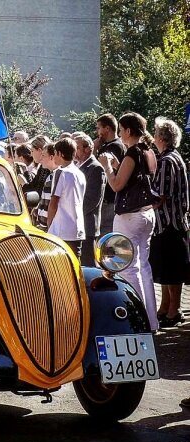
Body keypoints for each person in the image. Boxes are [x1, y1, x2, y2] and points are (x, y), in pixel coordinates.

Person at [99, 112, 159, 332]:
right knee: (144, 267)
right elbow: (135, 179)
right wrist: (117, 165)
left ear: (127, 130)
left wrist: (107, 166)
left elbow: (116, 185)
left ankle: (138, 320)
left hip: (130, 216)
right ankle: (151, 321)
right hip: (147, 214)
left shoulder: (133, 152)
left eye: (122, 130)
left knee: (128, 267)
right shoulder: (149, 151)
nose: (121, 134)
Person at [149, 117, 188, 328]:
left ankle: (174, 309)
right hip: (171, 223)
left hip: (169, 223)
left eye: (156, 133)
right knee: (166, 268)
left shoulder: (166, 161)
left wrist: (143, 202)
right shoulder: (172, 157)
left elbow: (160, 195)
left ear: (163, 137)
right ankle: (166, 306)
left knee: (172, 269)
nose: (154, 137)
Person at [47, 138, 86, 257]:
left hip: (61, 230)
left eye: (55, 153)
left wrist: (49, 225)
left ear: (61, 154)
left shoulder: (61, 172)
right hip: (77, 229)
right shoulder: (80, 173)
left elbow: (54, 202)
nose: (53, 157)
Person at [74, 133, 105, 266]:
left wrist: (73, 210)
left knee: (88, 265)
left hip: (87, 224)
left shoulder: (95, 168)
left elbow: (92, 200)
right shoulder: (77, 166)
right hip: (77, 224)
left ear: (88, 149)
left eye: (77, 147)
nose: (74, 151)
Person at [95, 113, 127, 235]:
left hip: (110, 198)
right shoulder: (108, 145)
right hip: (107, 197)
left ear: (107, 128)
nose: (97, 131)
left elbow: (99, 169)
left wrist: (94, 149)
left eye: (99, 128)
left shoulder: (115, 146)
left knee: (106, 233)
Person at [34, 142, 57, 230]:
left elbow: (50, 205)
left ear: (51, 157)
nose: (41, 159)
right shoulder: (50, 176)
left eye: (43, 155)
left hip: (49, 228)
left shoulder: (55, 178)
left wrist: (43, 224)